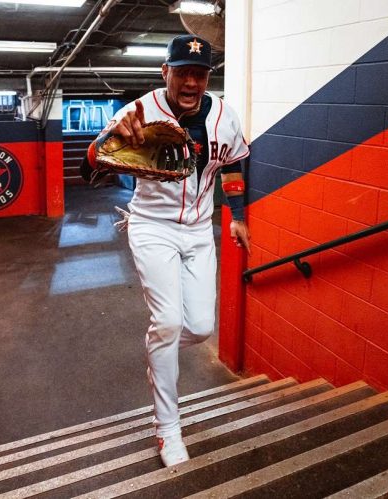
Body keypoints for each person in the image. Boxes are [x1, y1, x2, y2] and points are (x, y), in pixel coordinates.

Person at [81, 34, 251, 467]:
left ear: (208, 77)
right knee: (169, 321)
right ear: (165, 73)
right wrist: (104, 141)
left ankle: (160, 347)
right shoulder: (137, 113)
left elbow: (231, 164)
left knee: (199, 326)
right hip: (151, 226)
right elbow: (89, 168)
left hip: (198, 231)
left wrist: (236, 215)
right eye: (182, 72)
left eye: (200, 73)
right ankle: (167, 430)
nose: (191, 82)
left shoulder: (224, 117)